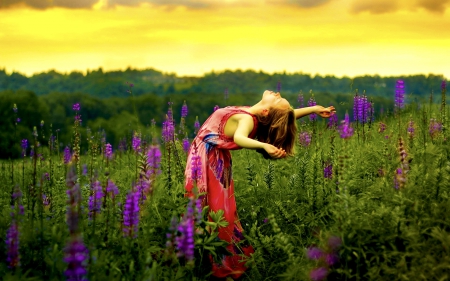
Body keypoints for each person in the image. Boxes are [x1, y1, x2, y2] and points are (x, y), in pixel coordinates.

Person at [184, 90, 335, 280]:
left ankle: (220, 263)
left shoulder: (247, 120)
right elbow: (283, 116)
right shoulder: (257, 116)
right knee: (211, 208)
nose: (278, 93)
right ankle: (202, 252)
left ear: (265, 111)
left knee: (210, 208)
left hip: (208, 162)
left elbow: (239, 137)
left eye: (278, 99)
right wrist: (313, 109)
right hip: (212, 157)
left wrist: (262, 146)